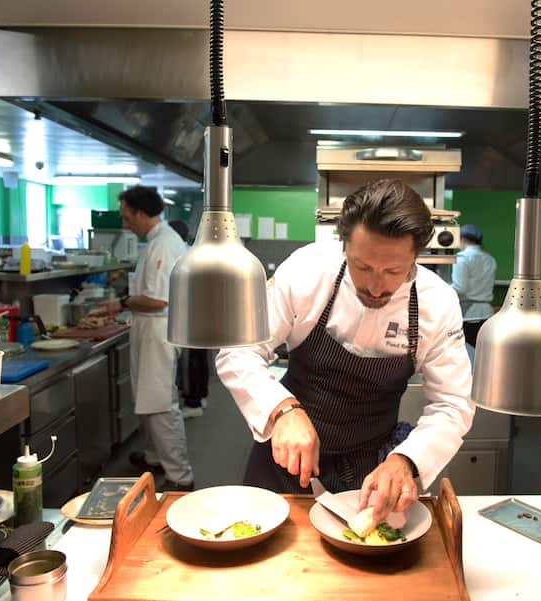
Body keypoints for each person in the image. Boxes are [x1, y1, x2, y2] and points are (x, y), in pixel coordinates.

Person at [216, 179, 475, 523]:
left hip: (372, 468)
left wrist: (406, 461)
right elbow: (239, 350)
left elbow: (452, 403)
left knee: (365, 564)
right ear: (343, 244)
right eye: (362, 266)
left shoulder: (436, 303)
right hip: (285, 452)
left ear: (416, 256)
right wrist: (282, 410)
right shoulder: (307, 270)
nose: (375, 286)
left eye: (393, 271)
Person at [99, 186, 195, 492]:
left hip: (159, 330)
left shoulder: (164, 245)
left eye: (128, 218)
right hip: (149, 329)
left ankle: (180, 476)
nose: (126, 224)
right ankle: (156, 456)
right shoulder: (155, 243)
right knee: (149, 399)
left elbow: (158, 300)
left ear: (141, 213)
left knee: (160, 405)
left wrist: (122, 303)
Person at [167, 218, 210, 419]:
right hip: (201, 312)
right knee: (200, 358)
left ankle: (194, 402)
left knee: (193, 360)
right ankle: (200, 397)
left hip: (192, 315)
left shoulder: (179, 254)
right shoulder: (190, 252)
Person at [450, 223, 497, 348]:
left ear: (462, 239)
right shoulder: (490, 259)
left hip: (468, 314)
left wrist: (440, 290)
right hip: (487, 314)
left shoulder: (462, 258)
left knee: (467, 355)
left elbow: (460, 288)